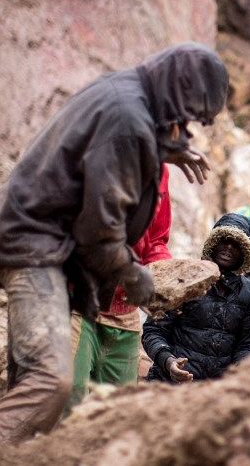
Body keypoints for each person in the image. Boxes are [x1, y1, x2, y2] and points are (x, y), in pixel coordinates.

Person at [0, 43, 227, 460]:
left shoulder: (128, 96)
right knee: (52, 380)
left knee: (34, 385)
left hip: (43, 246)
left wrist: (162, 149)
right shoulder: (127, 119)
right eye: (188, 115)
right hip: (34, 248)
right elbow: (100, 232)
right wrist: (138, 279)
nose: (186, 126)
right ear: (178, 92)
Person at [66, 164, 172, 413]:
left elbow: (157, 238)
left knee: (118, 409)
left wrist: (161, 275)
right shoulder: (103, 154)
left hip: (125, 311)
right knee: (68, 393)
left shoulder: (161, 170)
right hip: (81, 302)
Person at [142, 213, 250, 383]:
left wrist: (240, 371)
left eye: (236, 244)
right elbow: (153, 331)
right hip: (169, 383)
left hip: (212, 393)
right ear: (213, 243)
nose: (228, 247)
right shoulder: (185, 276)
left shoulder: (248, 292)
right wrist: (168, 362)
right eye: (224, 240)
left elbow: (247, 345)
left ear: (245, 252)